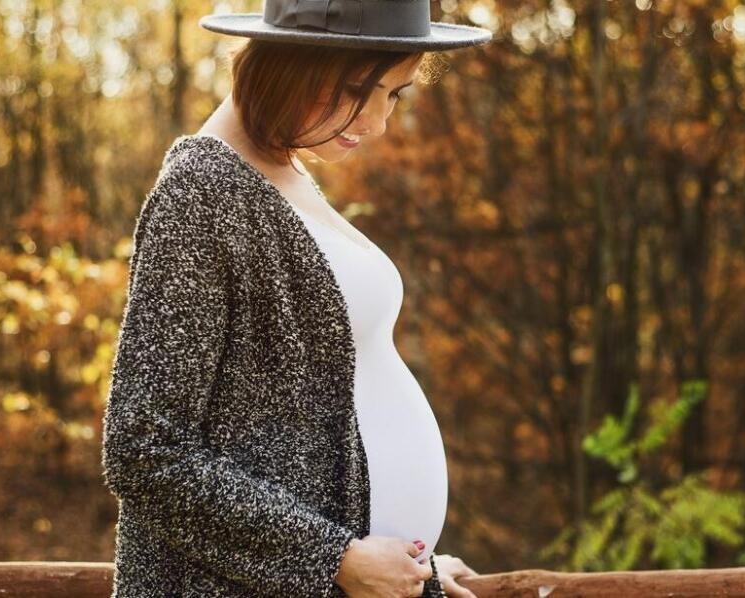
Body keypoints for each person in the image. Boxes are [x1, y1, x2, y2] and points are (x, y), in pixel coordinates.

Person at [99, 1, 492, 596]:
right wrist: (334, 558)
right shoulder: (200, 196)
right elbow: (144, 448)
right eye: (362, 89)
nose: (378, 121)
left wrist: (408, 565)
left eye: (395, 94)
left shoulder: (282, 173)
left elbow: (306, 427)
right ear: (291, 63)